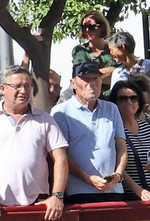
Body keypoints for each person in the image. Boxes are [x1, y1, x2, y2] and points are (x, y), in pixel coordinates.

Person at [0, 66, 68, 220]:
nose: (23, 91)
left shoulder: (45, 119)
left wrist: (57, 195)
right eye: (17, 86)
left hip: (38, 205)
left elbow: (60, 158)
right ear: (2, 89)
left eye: (27, 86)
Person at [52, 62, 128, 205]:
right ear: (73, 83)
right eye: (86, 79)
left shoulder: (112, 109)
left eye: (95, 78)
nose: (92, 83)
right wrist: (89, 179)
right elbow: (61, 155)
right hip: (79, 191)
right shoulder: (61, 112)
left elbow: (121, 147)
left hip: (113, 190)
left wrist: (118, 174)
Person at [113, 79, 150, 201]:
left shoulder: (146, 126)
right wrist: (138, 190)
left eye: (133, 98)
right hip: (130, 196)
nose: (129, 102)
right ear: (115, 103)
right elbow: (115, 166)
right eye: (123, 99)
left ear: (139, 103)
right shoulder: (112, 129)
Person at [72, 11, 116, 82]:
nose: (87, 30)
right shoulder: (80, 50)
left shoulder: (113, 48)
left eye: (91, 27)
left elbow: (124, 72)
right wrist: (113, 71)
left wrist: (95, 75)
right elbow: (83, 76)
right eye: (84, 27)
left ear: (102, 28)